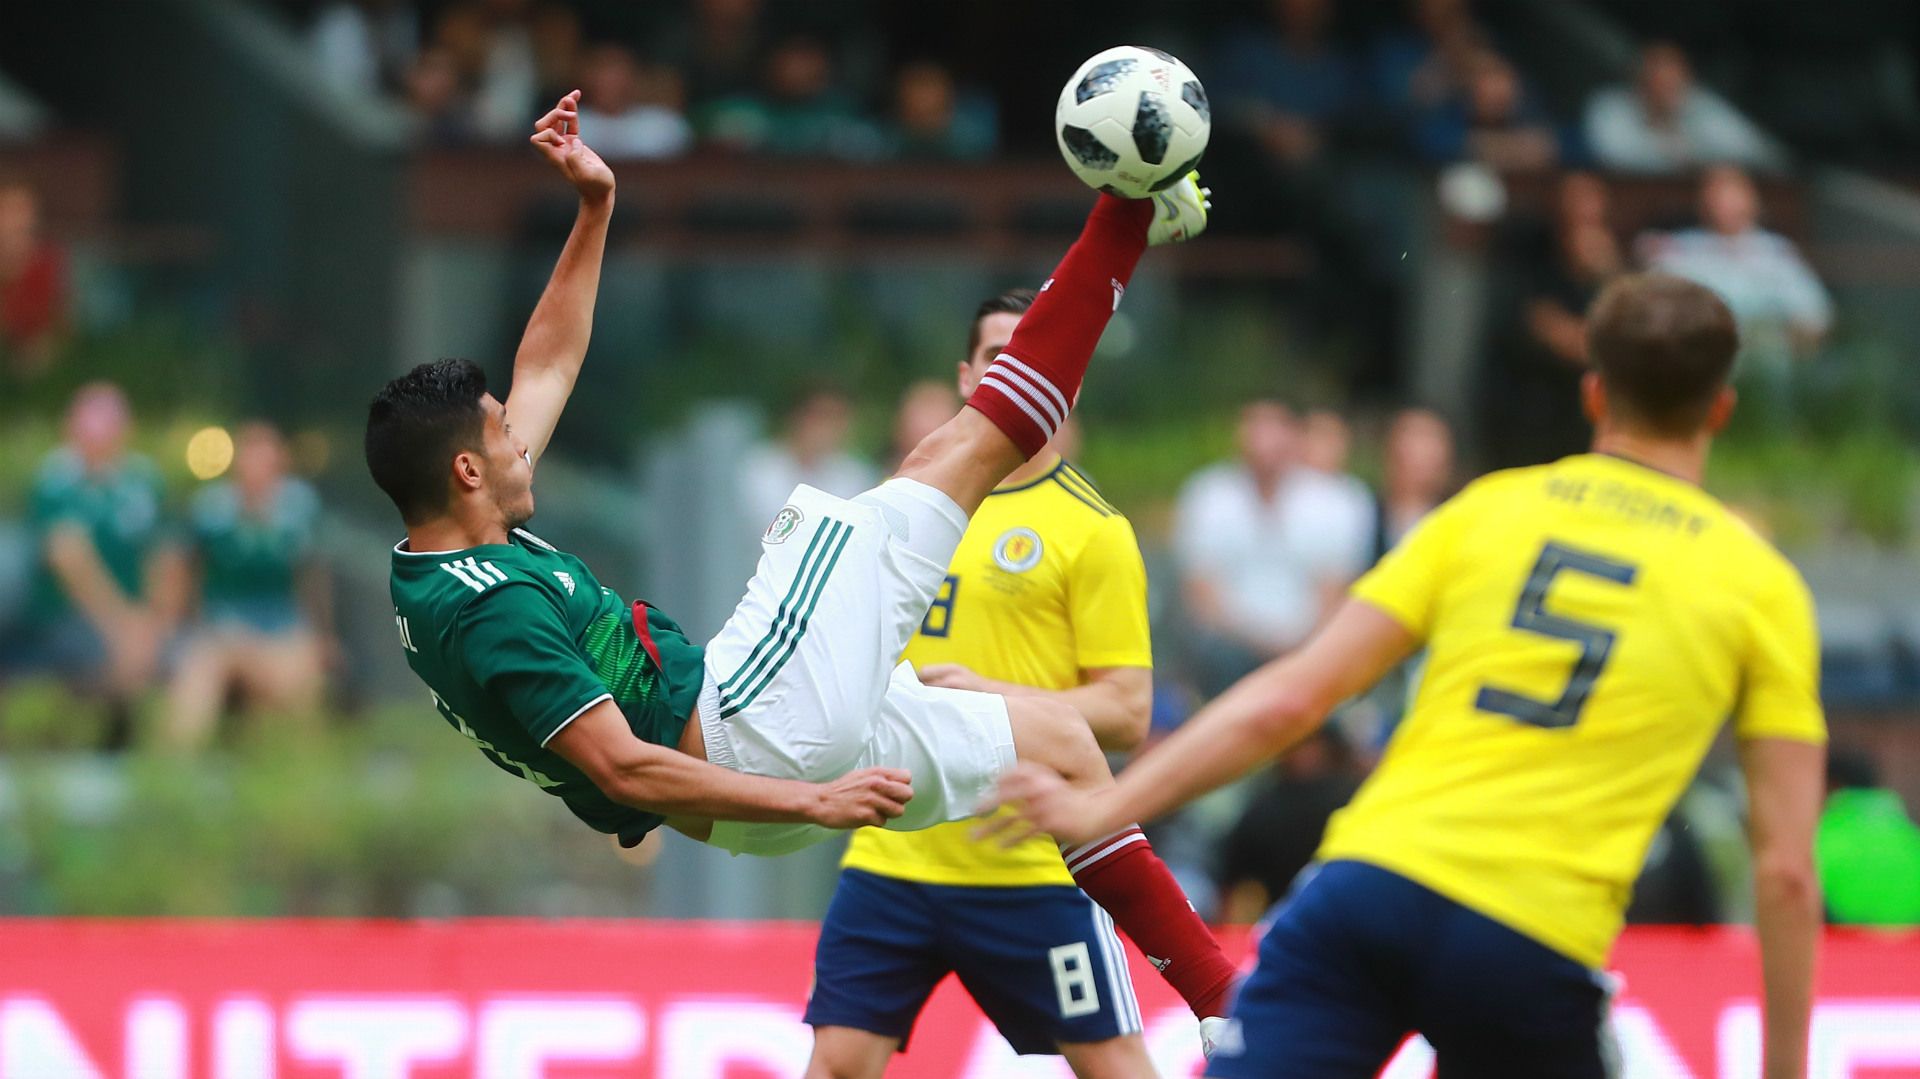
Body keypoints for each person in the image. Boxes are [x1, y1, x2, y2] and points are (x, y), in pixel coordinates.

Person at [365, 92, 1236, 1026]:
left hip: (752, 766)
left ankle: (1225, 1002)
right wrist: (814, 801)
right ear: (465, 469)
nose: (519, 441)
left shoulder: (447, 544)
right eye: (501, 437)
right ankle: (1131, 207)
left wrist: (594, 208)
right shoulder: (492, 610)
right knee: (956, 455)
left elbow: (546, 364)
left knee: (1062, 748)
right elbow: (625, 769)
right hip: (752, 725)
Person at [998, 273, 1827, 1079]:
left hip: (1368, 891)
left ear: (1594, 393)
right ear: (1721, 407)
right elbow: (1785, 866)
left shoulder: (1488, 509)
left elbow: (1292, 696)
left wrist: (1108, 802)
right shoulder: (1760, 586)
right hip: (1529, 936)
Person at [808, 289, 1171, 1078]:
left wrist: (991, 698)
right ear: (968, 376)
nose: (1015, 372)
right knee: (836, 1061)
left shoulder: (1094, 530)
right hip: (892, 853)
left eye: (1035, 357)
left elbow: (1127, 711)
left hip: (1029, 860)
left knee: (1112, 1064)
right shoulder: (902, 509)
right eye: (999, 357)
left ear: (1063, 382)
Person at [10, 383, 183, 750]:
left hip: (136, 620)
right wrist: (122, 625)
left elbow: (163, 556)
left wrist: (155, 621)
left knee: (187, 657)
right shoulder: (55, 479)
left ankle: (160, 758)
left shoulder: (143, 479)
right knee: (111, 657)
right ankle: (102, 750)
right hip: (66, 619)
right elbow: (66, 556)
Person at [1172, 400, 1373, 697]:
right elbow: (1201, 595)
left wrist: (1295, 646)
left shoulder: (1336, 501)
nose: (1263, 439)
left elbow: (1334, 595)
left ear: (1295, 435)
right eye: (1254, 425)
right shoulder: (1207, 495)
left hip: (1308, 644)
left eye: (1274, 426)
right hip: (1229, 647)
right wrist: (1262, 644)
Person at [164, 423, 334, 749]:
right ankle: (176, 765)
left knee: (301, 683)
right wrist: (176, 621)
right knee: (196, 677)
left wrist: (323, 634)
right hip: (222, 624)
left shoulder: (299, 508)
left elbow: (313, 574)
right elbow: (183, 567)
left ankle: (300, 772)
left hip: (281, 623)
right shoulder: (210, 509)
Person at [1641, 165, 1832, 378]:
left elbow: (1815, 316)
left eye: (1733, 196)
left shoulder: (1778, 253)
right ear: (1703, 203)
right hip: (1703, 366)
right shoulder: (1679, 250)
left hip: (1774, 364)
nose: (1725, 205)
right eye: (1717, 196)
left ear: (1753, 201)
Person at [1585, 42, 1782, 175]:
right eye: (1660, 83)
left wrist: (1700, 160)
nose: (1669, 92)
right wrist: (1676, 157)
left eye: (1675, 84)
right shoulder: (1610, 106)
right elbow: (1614, 158)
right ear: (1640, 83)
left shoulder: (1701, 104)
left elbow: (1759, 151)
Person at [738, 384, 877, 538]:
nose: (829, 428)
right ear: (797, 417)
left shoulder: (854, 474)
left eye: (838, 418)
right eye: (822, 416)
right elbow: (770, 525)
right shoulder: (761, 465)